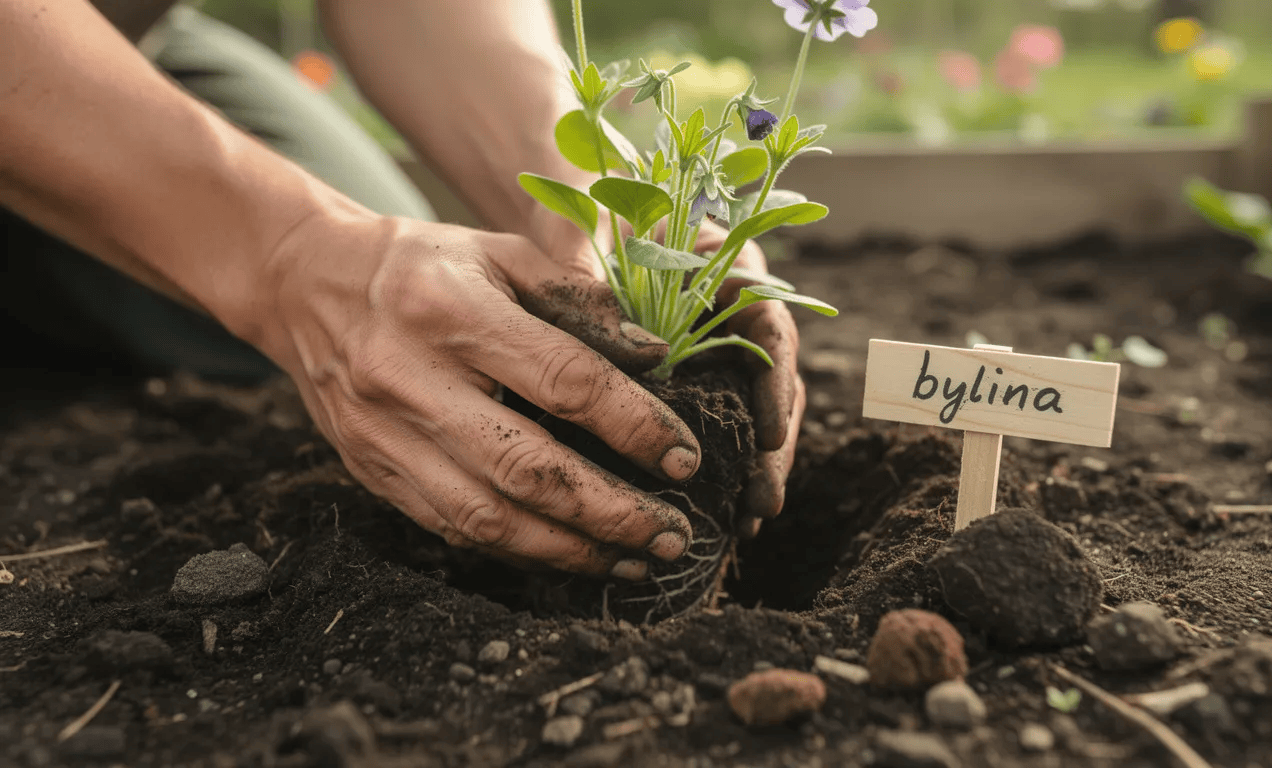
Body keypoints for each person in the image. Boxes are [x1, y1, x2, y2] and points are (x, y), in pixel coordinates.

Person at [0, 0, 804, 583]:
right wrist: (287, 256)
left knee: (421, 327)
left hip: (104, 34)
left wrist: (583, 182)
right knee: (309, 286)